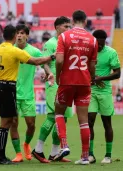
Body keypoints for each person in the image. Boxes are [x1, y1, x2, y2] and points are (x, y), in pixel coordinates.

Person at [0, 24, 55, 164]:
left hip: (1, 88)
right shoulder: (14, 50)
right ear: (14, 36)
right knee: (8, 122)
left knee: (7, 121)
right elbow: (36, 61)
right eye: (18, 33)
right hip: (9, 88)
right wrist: (52, 56)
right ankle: (1, 155)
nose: (20, 36)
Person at [53, 10, 98, 165]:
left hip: (67, 80)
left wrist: (59, 76)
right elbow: (92, 65)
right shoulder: (92, 40)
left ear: (72, 21)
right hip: (84, 82)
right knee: (83, 120)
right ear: (85, 21)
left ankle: (64, 145)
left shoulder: (64, 37)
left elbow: (59, 61)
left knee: (58, 112)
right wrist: (91, 79)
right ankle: (85, 157)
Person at [32, 16, 72, 163]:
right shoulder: (51, 43)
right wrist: (49, 74)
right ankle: (38, 149)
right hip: (54, 83)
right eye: (65, 26)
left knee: (63, 118)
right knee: (52, 116)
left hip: (67, 84)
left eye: (69, 26)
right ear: (57, 27)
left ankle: (55, 153)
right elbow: (45, 63)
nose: (68, 29)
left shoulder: (68, 42)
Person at [10, 24, 49, 163]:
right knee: (13, 122)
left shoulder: (34, 51)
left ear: (27, 35)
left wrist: (48, 73)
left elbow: (44, 62)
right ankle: (18, 153)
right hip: (12, 93)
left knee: (31, 124)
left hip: (27, 94)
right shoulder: (10, 50)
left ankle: (26, 144)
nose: (19, 35)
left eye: (22, 33)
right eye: (17, 33)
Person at [88, 30, 121, 164]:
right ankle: (90, 155)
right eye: (97, 44)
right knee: (89, 121)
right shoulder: (88, 52)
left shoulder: (111, 53)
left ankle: (108, 155)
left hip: (105, 91)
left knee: (107, 123)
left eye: (102, 44)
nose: (99, 47)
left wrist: (102, 78)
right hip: (90, 91)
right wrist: (92, 78)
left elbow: (117, 73)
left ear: (105, 41)